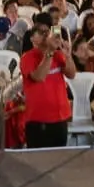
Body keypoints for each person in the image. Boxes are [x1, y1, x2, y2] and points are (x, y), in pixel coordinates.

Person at [20, 13, 76, 148]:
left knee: (59, 158)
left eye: (48, 32)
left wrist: (68, 56)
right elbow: (39, 77)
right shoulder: (28, 57)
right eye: (41, 32)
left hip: (60, 116)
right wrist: (50, 51)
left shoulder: (58, 54)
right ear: (32, 38)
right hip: (38, 118)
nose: (46, 35)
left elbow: (71, 74)